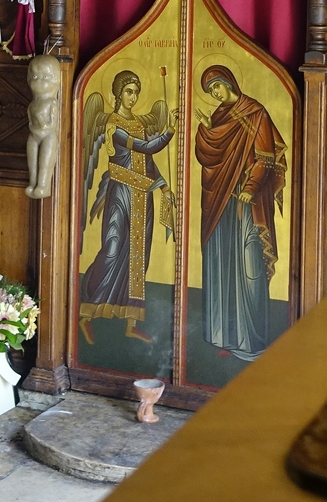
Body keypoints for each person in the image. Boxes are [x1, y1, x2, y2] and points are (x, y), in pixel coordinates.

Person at [194, 65, 286, 361]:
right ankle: (224, 334)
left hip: (247, 203)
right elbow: (208, 155)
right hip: (222, 202)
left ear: (229, 81)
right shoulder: (220, 116)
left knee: (250, 265)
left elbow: (266, 156)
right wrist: (206, 130)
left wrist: (251, 185)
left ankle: (252, 338)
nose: (216, 94)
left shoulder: (255, 112)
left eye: (217, 87)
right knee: (223, 263)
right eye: (210, 91)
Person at [77, 70, 176, 346]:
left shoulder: (139, 124)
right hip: (120, 193)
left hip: (142, 196)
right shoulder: (113, 124)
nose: (133, 97)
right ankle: (87, 313)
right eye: (129, 91)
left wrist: (164, 186)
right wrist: (169, 131)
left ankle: (130, 322)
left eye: (136, 92)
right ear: (118, 93)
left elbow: (147, 162)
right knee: (112, 247)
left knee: (138, 257)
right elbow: (145, 148)